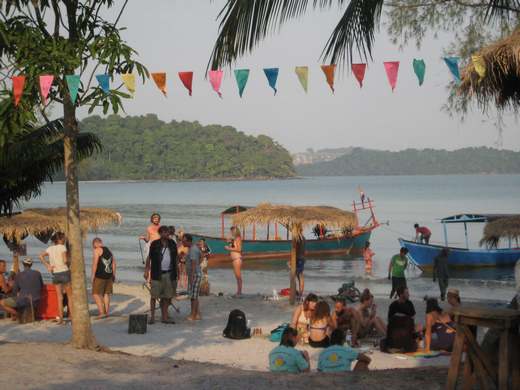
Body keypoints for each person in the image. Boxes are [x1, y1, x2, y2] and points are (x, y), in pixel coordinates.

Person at [144, 225, 178, 324]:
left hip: (169, 273)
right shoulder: (155, 244)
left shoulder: (172, 243)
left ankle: (164, 317)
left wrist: (177, 271)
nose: (166, 234)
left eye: (167, 232)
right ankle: (153, 317)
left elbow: (175, 258)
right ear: (160, 233)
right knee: (154, 296)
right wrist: (146, 270)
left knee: (167, 297)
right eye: (164, 232)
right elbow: (149, 258)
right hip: (156, 273)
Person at [39, 232, 72, 324]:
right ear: (60, 239)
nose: (65, 240)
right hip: (64, 272)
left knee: (59, 297)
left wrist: (48, 266)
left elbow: (40, 256)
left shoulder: (50, 248)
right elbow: (65, 260)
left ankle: (61, 318)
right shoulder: (62, 247)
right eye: (64, 238)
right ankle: (72, 317)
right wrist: (69, 261)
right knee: (70, 296)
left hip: (55, 274)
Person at [385, 286, 418, 352]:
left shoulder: (393, 305)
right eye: (406, 293)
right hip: (404, 331)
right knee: (418, 327)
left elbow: (389, 321)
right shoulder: (408, 304)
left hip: (395, 333)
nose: (409, 294)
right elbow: (412, 319)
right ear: (401, 294)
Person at [91, 237, 116, 318]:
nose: (94, 248)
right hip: (109, 275)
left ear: (96, 243)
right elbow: (114, 263)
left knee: (95, 293)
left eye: (94, 246)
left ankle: (102, 313)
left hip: (100, 276)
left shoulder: (97, 250)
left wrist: (92, 276)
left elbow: (95, 264)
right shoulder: (109, 250)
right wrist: (113, 275)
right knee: (106, 294)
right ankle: (106, 313)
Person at [184, 234, 202, 321]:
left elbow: (194, 264)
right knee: (194, 295)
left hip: (194, 274)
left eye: (184, 241)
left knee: (193, 297)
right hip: (195, 274)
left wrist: (191, 277)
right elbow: (201, 258)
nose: (182, 242)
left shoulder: (193, 250)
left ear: (189, 241)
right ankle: (197, 313)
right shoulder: (193, 248)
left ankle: (193, 315)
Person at [224, 226, 243, 297]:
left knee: (238, 276)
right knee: (237, 276)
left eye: (232, 231)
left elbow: (239, 249)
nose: (231, 232)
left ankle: (239, 292)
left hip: (237, 258)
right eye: (230, 231)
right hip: (235, 259)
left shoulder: (238, 238)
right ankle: (238, 291)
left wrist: (229, 249)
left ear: (235, 231)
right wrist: (229, 241)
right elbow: (228, 241)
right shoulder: (234, 239)